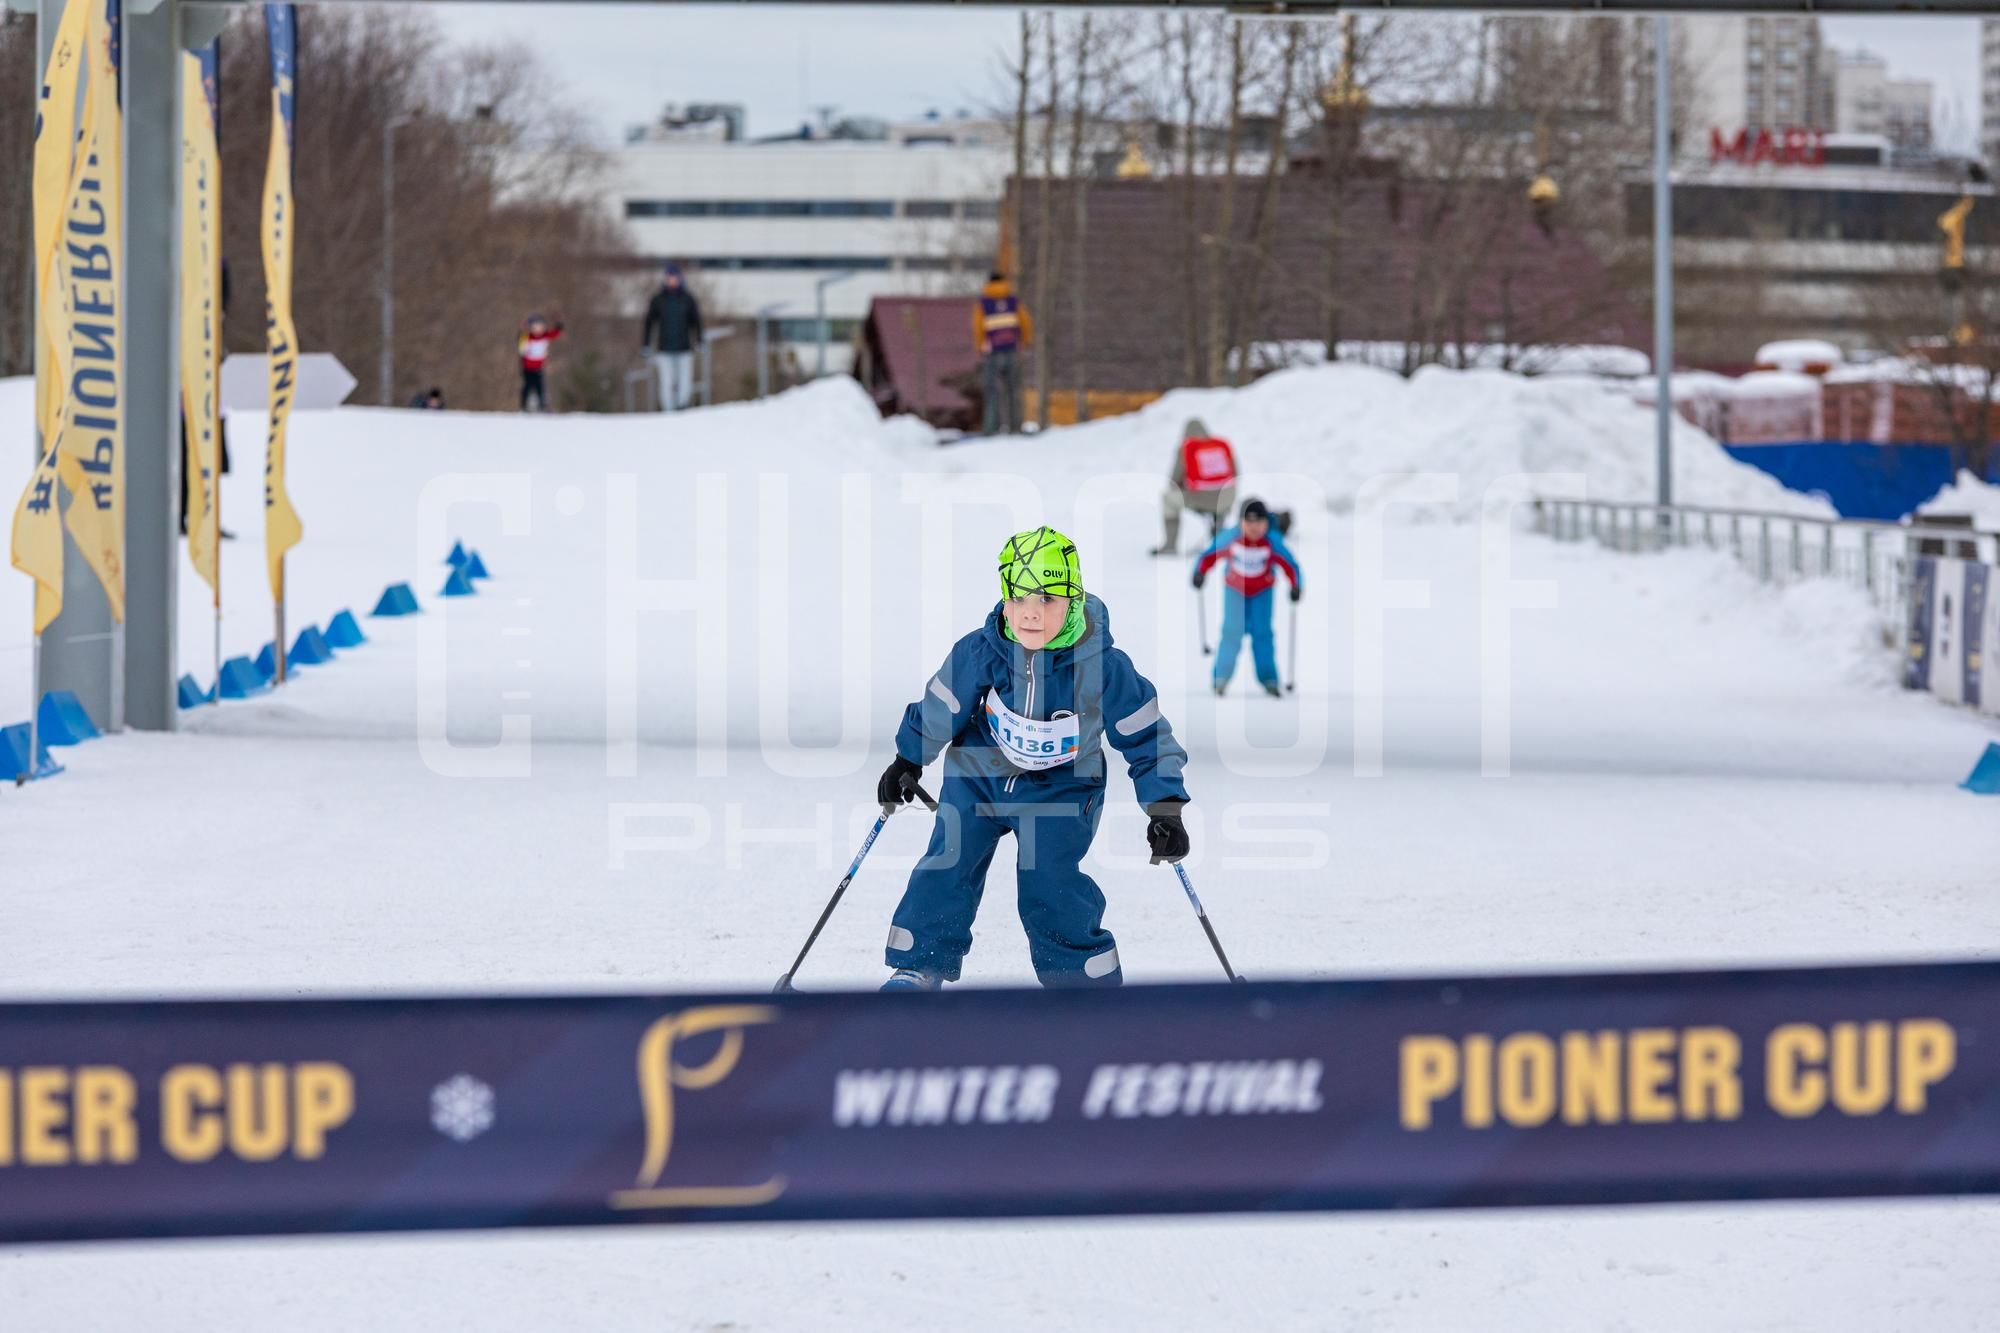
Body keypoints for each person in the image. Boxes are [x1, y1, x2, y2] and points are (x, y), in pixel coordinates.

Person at [874, 526, 1191, 991]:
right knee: (946, 863)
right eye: (1019, 598)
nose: (1031, 614)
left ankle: (1081, 986)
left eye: (1048, 599)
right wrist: (909, 758)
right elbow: (943, 705)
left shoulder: (1103, 666)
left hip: (1061, 786)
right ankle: (918, 967)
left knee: (1050, 882)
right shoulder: (984, 649)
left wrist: (1165, 808)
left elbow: (1147, 737)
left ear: (1074, 600)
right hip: (979, 774)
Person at [1192, 498, 1303, 698]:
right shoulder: (1231, 538)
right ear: (1241, 522)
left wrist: (1296, 586)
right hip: (1235, 590)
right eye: (1249, 522)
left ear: (1266, 523)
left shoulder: (1271, 541)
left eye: (1259, 523)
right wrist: (1199, 572)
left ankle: (1269, 679)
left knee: (1262, 634)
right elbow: (1208, 556)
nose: (1254, 528)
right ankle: (1221, 678)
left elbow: (1291, 565)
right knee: (1231, 632)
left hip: (1262, 592)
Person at [1153, 418, 1238, 556]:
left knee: (1168, 499)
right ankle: (1219, 534)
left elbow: (1174, 480)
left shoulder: (1187, 448)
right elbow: (1236, 474)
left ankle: (1170, 545)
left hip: (1201, 499)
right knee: (1223, 496)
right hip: (1227, 498)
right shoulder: (1221, 445)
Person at [972, 270, 1031, 436]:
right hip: (1012, 349)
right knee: (1013, 390)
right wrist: (1025, 342)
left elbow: (978, 327)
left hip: (992, 352)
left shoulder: (983, 303)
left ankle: (993, 428)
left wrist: (979, 346)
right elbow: (1025, 322)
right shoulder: (1013, 301)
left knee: (992, 391)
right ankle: (1015, 426)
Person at [642, 263, 704, 411]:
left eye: (674, 277)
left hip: (684, 348)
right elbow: (649, 323)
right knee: (666, 381)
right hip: (664, 349)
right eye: (669, 278)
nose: (672, 280)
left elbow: (696, 322)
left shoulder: (687, 299)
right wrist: (646, 344)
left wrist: (700, 340)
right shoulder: (658, 299)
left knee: (685, 381)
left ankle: (682, 406)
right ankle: (668, 410)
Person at [518, 315, 563, 412]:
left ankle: (543, 406)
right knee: (528, 386)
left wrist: (559, 324)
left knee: (540, 387)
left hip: (539, 367)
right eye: (535, 327)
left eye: (540, 327)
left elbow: (556, 334)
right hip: (527, 368)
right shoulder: (527, 337)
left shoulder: (545, 337)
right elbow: (521, 344)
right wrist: (522, 330)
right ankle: (524, 407)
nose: (538, 330)